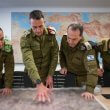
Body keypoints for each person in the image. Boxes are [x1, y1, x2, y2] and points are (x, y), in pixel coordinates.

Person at [20, 10, 59, 102]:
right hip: (31, 77)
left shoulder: (51, 35)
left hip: (46, 76)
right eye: (34, 27)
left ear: (44, 23)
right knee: (29, 103)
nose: (38, 30)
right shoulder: (25, 38)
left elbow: (54, 55)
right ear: (30, 24)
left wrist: (50, 75)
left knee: (48, 102)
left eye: (40, 26)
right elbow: (28, 60)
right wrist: (38, 82)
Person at [60, 23, 98, 100]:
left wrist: (89, 90)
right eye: (69, 38)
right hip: (69, 77)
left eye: (74, 39)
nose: (70, 41)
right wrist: (63, 66)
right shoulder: (64, 39)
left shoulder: (87, 48)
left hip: (83, 81)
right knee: (65, 101)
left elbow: (92, 70)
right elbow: (61, 53)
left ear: (80, 37)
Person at [0, 27, 14, 95]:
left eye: (1, 39)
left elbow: (9, 67)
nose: (0, 43)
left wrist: (8, 86)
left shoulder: (7, 46)